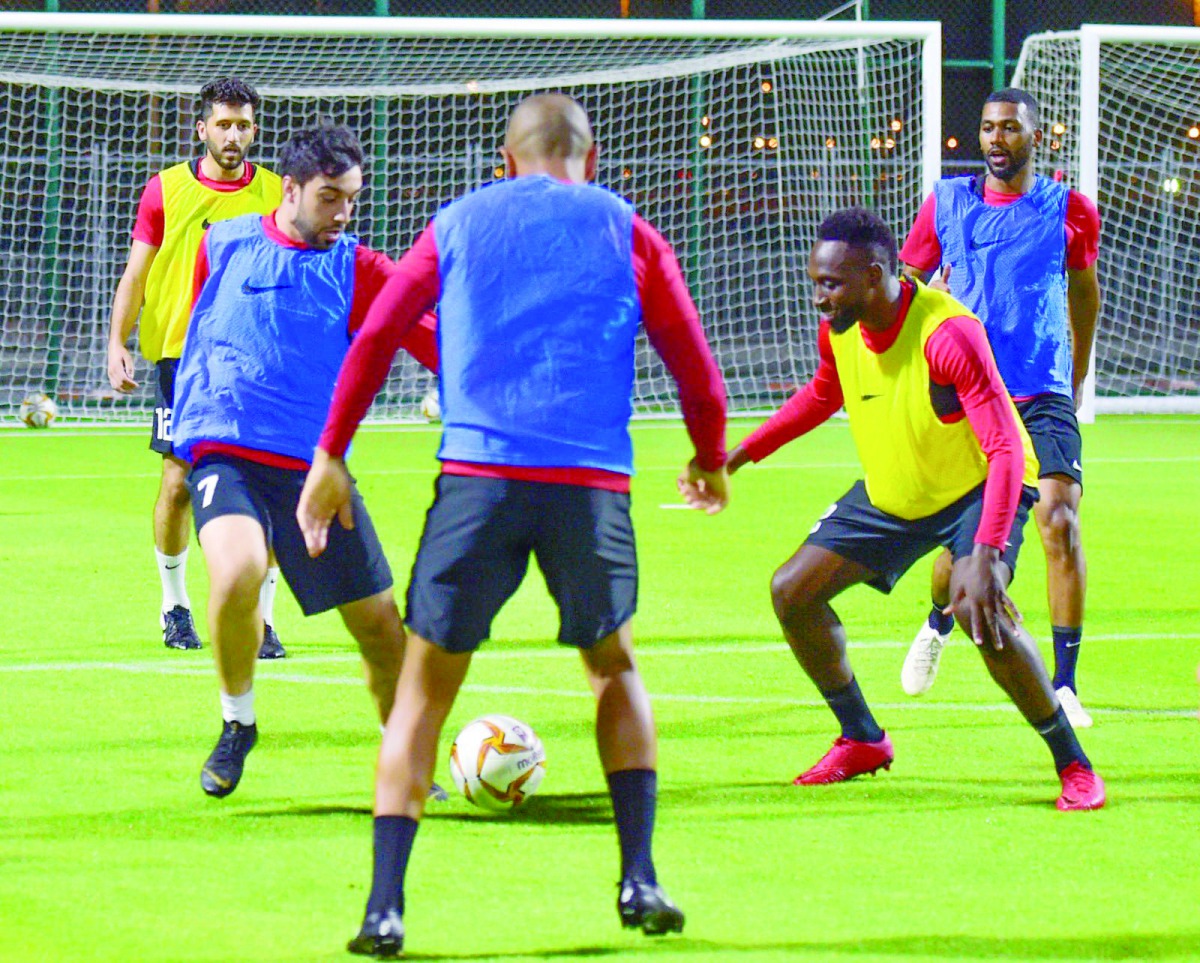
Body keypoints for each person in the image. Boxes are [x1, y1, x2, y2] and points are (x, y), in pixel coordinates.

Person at [296, 93, 729, 958]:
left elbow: (380, 331)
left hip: (478, 482)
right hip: (590, 484)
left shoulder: (457, 220)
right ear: (589, 161)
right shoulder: (626, 228)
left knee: (422, 692)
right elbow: (693, 355)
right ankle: (638, 874)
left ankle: (385, 907)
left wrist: (332, 451)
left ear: (506, 160)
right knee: (613, 667)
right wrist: (709, 452)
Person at [726, 207, 1105, 813]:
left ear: (876, 275)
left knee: (978, 607)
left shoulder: (946, 333)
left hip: (979, 487)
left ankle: (1074, 765)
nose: (820, 298)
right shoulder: (841, 328)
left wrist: (983, 554)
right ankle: (862, 738)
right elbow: (825, 392)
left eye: (831, 284)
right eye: (815, 282)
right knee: (791, 590)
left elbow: (1007, 447)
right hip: (897, 492)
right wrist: (741, 454)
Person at [170, 123, 438, 799]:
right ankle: (238, 723)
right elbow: (204, 332)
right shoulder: (224, 244)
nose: (344, 213)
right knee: (237, 572)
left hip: (314, 470)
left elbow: (433, 339)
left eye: (352, 199)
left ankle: (412, 760)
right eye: (330, 198)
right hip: (224, 454)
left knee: (380, 627)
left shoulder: (363, 268)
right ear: (290, 188)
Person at [897, 88, 1102, 728]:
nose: (995, 139)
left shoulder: (1070, 210)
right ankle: (937, 624)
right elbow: (902, 286)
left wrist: (1076, 371)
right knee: (962, 554)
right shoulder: (947, 203)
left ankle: (1064, 686)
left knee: (1059, 522)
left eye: (1009, 128)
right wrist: (927, 302)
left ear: (1036, 138)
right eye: (987, 128)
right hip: (970, 395)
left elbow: (1085, 294)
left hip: (1042, 392)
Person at [105, 78, 288, 659]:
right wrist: (117, 340)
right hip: (183, 355)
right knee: (179, 485)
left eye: (243, 125)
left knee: (268, 484)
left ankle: (262, 619)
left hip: (255, 356)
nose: (233, 135)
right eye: (223, 124)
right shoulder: (165, 190)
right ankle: (175, 606)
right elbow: (137, 273)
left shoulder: (276, 192)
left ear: (254, 130)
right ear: (201, 128)